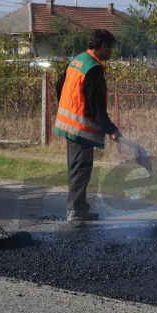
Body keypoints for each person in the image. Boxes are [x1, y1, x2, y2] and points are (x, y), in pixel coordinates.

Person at [53, 29, 121, 228]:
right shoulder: (93, 68)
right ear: (103, 46)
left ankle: (81, 209)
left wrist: (68, 106)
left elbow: (59, 85)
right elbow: (97, 107)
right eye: (111, 48)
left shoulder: (78, 60)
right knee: (80, 171)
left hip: (70, 124)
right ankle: (74, 213)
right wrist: (112, 130)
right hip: (80, 128)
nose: (111, 53)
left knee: (80, 169)